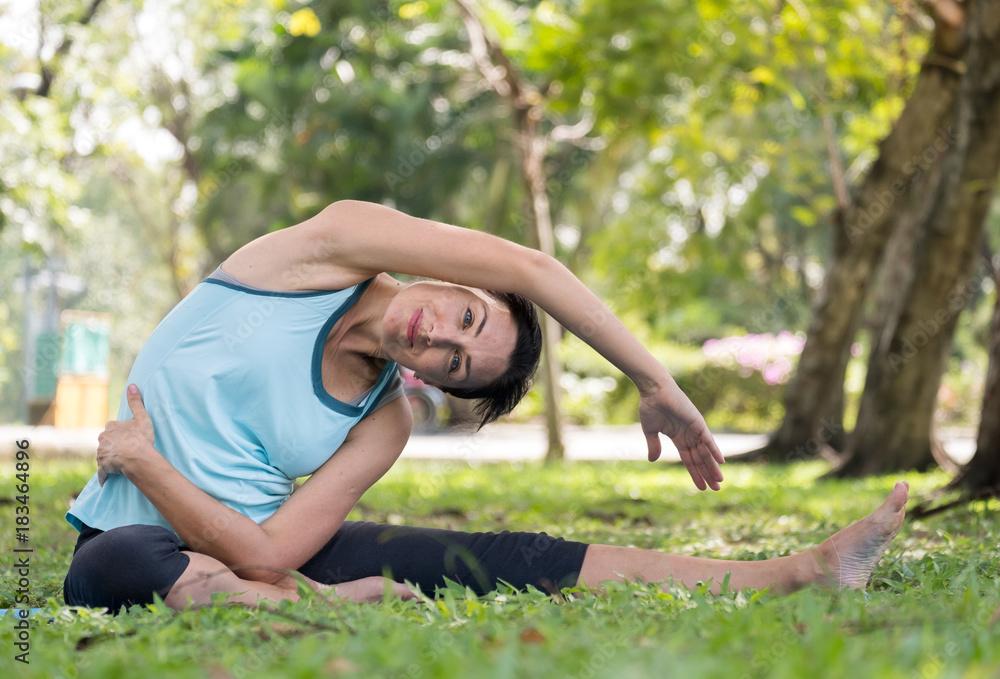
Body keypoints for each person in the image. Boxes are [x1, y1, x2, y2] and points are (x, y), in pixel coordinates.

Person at [63, 200, 909, 611]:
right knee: (106, 565)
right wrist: (655, 380)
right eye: (464, 315)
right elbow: (533, 269)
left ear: (435, 385)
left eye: (455, 361)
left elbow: (269, 546)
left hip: (250, 551)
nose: (436, 337)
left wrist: (140, 458)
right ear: (455, 282)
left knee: (506, 553)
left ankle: (794, 571)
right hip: (141, 541)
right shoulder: (318, 254)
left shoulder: (384, 416)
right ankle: (318, 608)